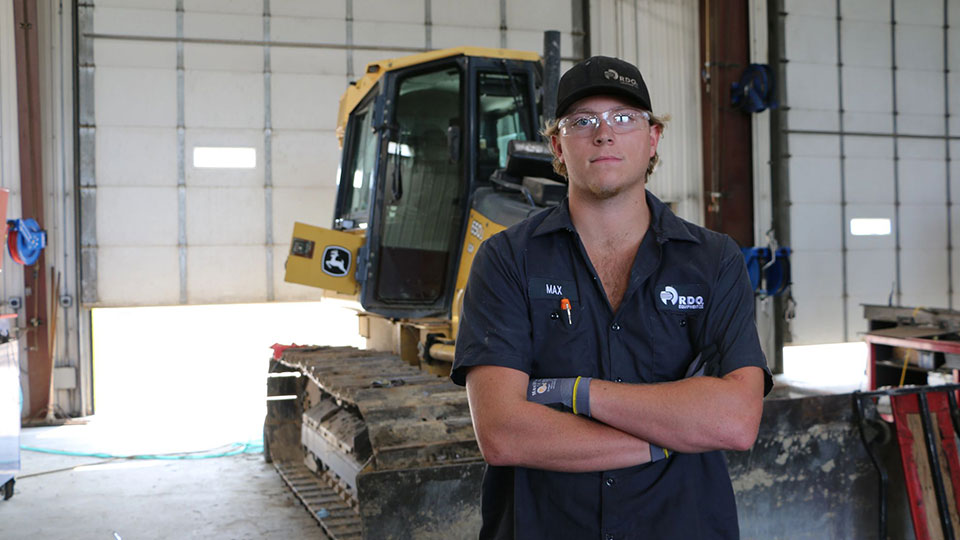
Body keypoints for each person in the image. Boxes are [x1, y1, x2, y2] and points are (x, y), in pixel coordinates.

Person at [450, 55, 773, 539]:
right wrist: (668, 436)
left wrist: (572, 392)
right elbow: (502, 432)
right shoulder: (506, 260)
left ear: (653, 139)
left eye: (624, 118)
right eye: (583, 121)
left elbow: (735, 421)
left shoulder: (713, 261)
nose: (605, 134)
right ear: (558, 146)